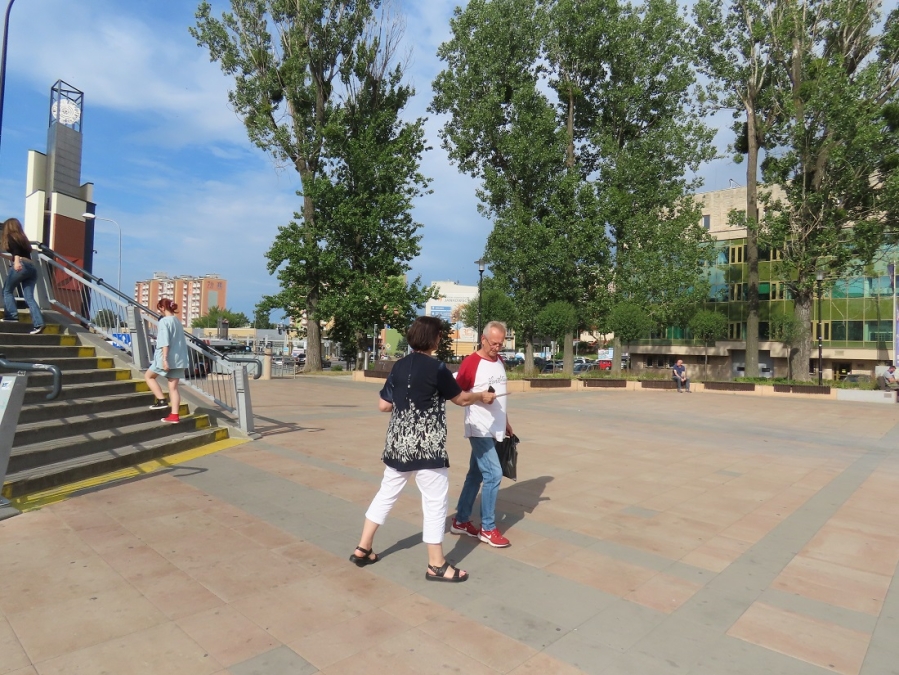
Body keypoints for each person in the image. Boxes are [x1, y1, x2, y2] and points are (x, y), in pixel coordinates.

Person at [351, 316, 496, 583]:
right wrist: (481, 396)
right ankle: (436, 564)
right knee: (435, 502)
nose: (440, 339)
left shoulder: (399, 365)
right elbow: (461, 399)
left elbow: (384, 405)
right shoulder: (437, 368)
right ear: (433, 338)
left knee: (386, 494)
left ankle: (363, 547)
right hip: (427, 446)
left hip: (398, 444)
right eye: (440, 335)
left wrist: (406, 406)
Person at [451, 320, 514, 548]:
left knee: (475, 474)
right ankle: (487, 528)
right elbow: (457, 395)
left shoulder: (500, 361)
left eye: (500, 343)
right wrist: (479, 396)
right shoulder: (471, 363)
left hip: (496, 427)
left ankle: (460, 521)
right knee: (494, 474)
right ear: (483, 339)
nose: (497, 347)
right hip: (478, 427)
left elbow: (501, 396)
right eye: (493, 343)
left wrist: (505, 421)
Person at [145, 298, 190, 423]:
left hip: (166, 357)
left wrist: (164, 359)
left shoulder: (164, 321)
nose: (159, 311)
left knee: (149, 376)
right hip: (179, 359)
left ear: (162, 308)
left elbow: (165, 342)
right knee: (173, 388)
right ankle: (174, 415)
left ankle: (161, 400)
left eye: (159, 308)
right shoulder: (177, 321)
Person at [1, 218, 45, 334]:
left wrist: (16, 263)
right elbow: (19, 254)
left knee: (7, 290)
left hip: (21, 265)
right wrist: (3, 255)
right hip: (31, 268)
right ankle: (39, 323)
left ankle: (11, 316)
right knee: (29, 297)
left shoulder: (11, 236)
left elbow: (16, 252)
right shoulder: (22, 238)